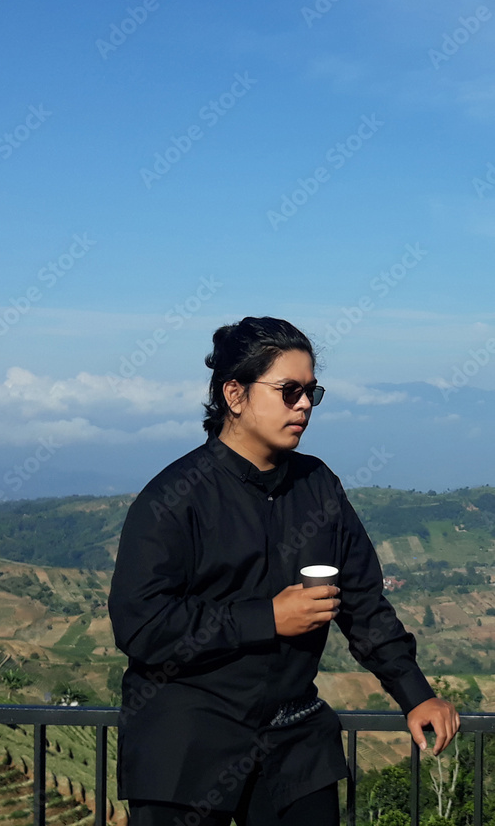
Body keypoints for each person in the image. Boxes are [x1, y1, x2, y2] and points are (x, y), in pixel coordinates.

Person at [108, 316, 459, 826]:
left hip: (294, 747)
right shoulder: (173, 498)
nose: (302, 407)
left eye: (311, 393)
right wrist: (265, 618)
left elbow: (362, 601)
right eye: (288, 390)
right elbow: (140, 625)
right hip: (186, 748)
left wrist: (415, 693)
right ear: (235, 394)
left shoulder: (318, 486)